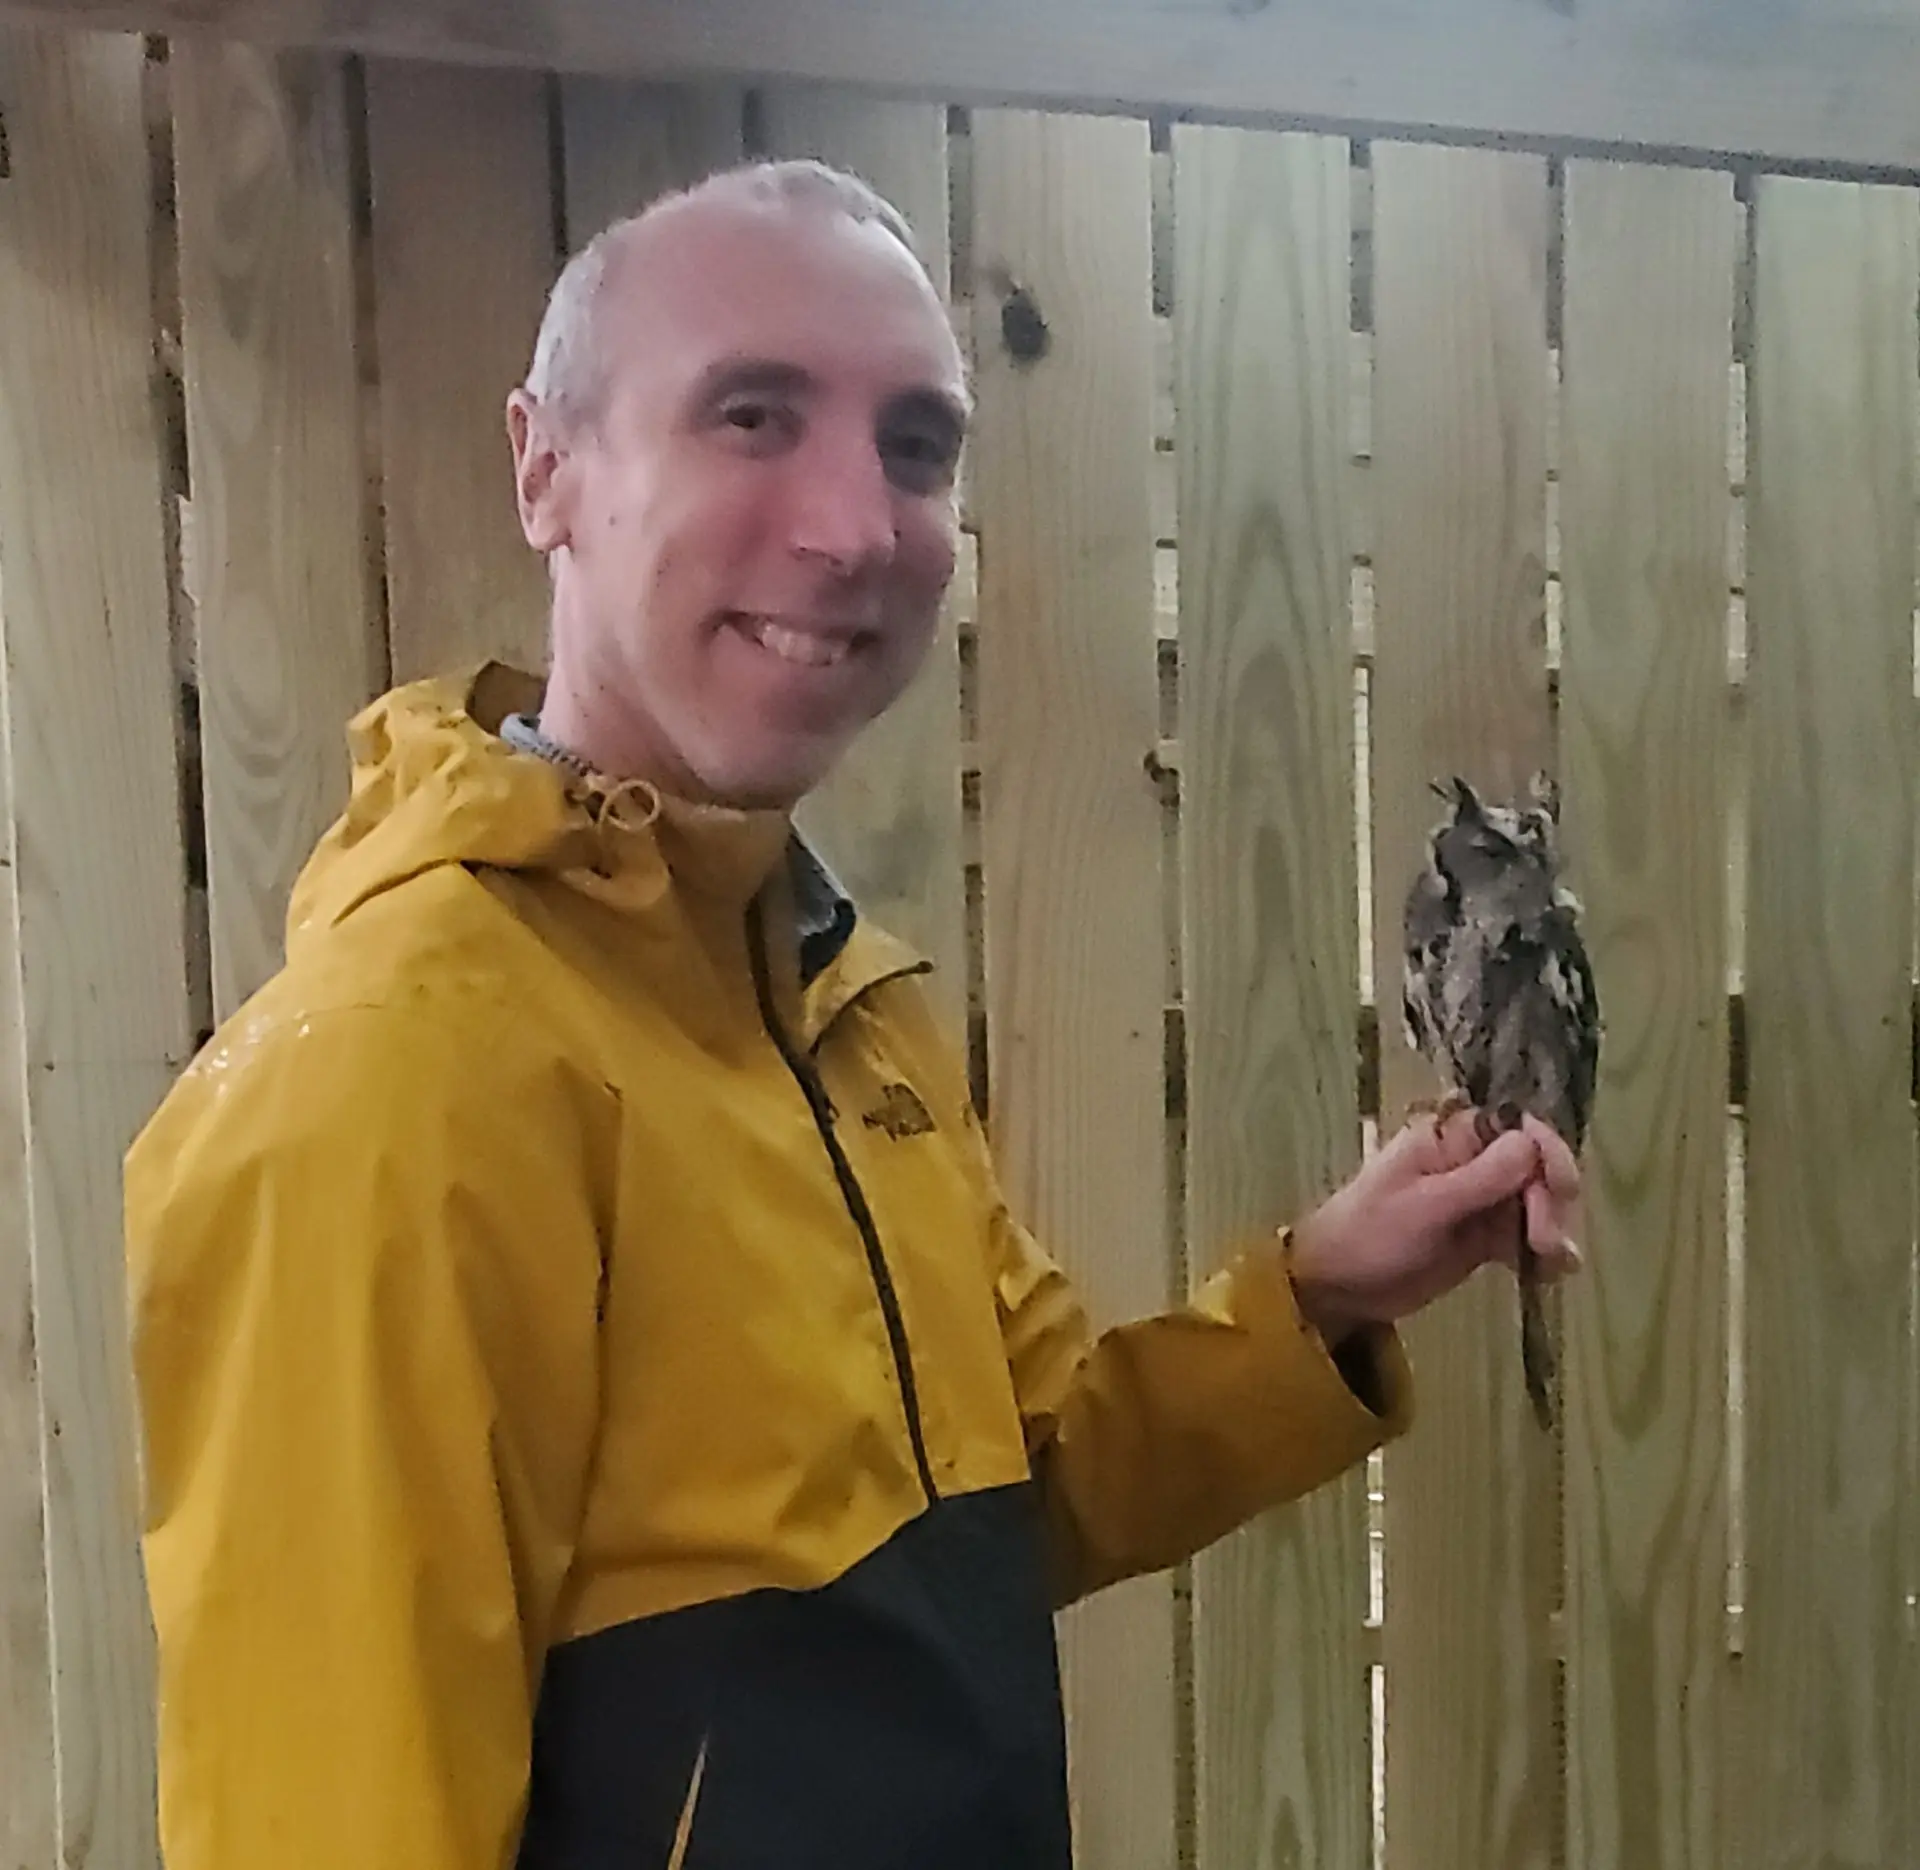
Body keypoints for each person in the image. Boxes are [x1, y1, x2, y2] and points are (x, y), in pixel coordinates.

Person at [123, 158, 1581, 1870]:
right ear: (547, 467)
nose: (855, 525)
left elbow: (1010, 1498)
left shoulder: (839, 1005)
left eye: (918, 445)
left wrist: (1322, 1288)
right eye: (752, 414)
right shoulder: (398, 1073)